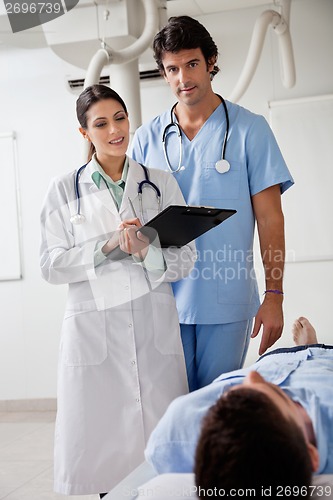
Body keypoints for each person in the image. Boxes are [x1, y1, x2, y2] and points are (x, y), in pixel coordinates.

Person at [39, 84, 196, 496]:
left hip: (152, 326)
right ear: (84, 133)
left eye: (120, 119)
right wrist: (108, 246)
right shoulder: (62, 190)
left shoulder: (159, 184)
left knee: (158, 456)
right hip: (94, 330)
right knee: (103, 448)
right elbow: (50, 265)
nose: (114, 130)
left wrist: (148, 251)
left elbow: (186, 260)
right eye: (101, 123)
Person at [130, 15, 294, 392]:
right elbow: (132, 220)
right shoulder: (146, 139)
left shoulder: (250, 130)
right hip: (163, 298)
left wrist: (274, 296)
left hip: (227, 299)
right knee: (168, 408)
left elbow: (271, 219)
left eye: (191, 64)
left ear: (211, 62)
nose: (183, 78)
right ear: (163, 73)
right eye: (172, 69)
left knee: (216, 407)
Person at [144, 317, 333, 489]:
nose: (252, 376)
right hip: (323, 365)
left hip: (272, 362)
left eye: (229, 396)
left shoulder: (176, 434)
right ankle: (311, 347)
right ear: (311, 455)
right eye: (280, 397)